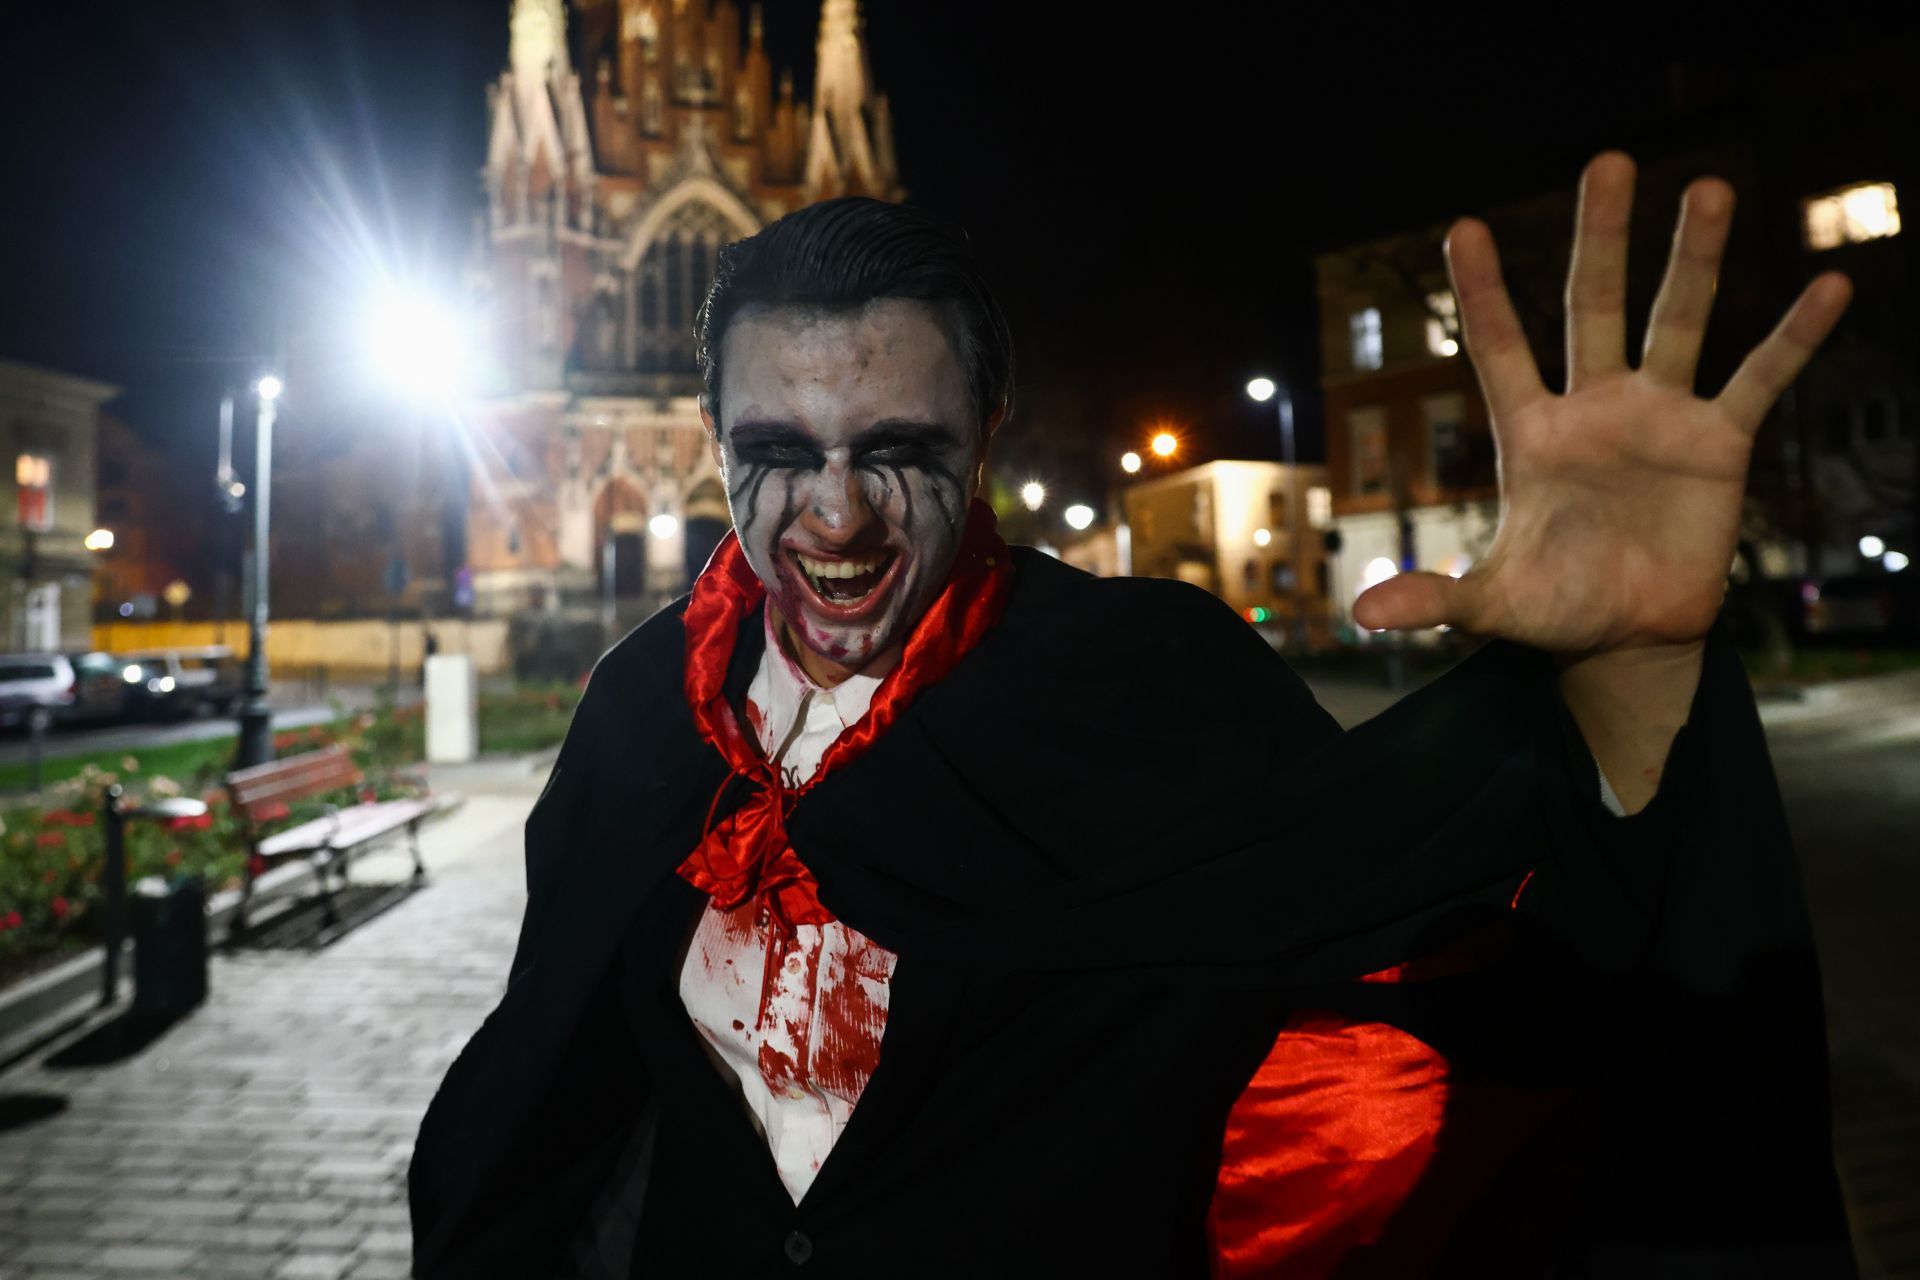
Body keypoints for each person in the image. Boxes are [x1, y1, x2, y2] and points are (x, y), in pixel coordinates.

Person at [408, 151, 1855, 1278]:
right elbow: (556, 1097)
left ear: (987, 435)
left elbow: (1453, 939)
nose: (834, 514)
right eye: (775, 453)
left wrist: (1624, 672)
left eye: (898, 451)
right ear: (713, 446)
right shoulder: (647, 713)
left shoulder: (1144, 679)